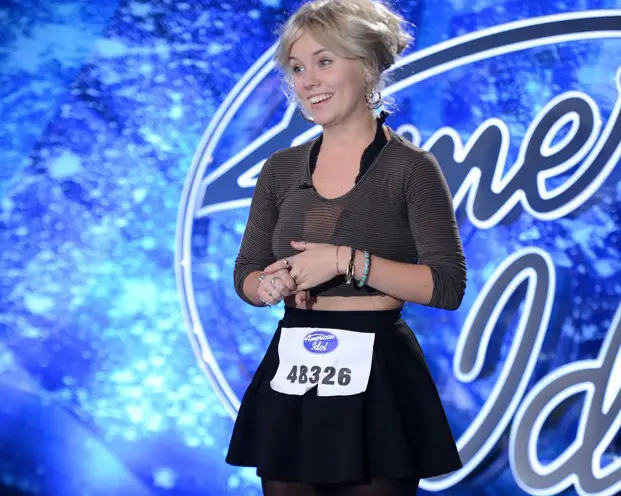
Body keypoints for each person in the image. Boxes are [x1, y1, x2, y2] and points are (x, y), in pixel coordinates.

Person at [226, 0, 467, 494]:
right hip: (293, 367)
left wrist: (345, 261)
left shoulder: (411, 169)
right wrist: (266, 285)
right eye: (297, 68)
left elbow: (446, 286)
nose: (307, 81)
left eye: (324, 61)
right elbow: (246, 271)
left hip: (379, 376)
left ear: (368, 66)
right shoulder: (279, 169)